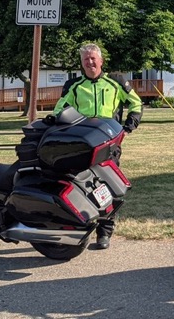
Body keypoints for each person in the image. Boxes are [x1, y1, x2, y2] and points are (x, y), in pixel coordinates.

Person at [53, 43, 143, 250]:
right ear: (82, 63)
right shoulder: (73, 86)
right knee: (78, 186)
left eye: (93, 58)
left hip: (108, 144)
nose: (90, 62)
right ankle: (79, 227)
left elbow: (136, 103)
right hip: (82, 144)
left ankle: (104, 232)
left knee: (107, 189)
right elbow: (59, 110)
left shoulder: (116, 81)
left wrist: (128, 128)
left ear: (101, 61)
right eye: (86, 59)